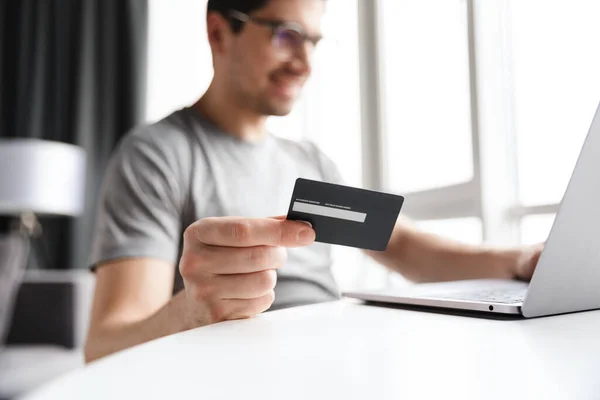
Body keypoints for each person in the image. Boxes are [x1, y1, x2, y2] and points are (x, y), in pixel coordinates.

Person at [84, 0, 543, 363]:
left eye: (314, 42)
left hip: (339, 351)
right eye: (286, 35)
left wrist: (521, 260)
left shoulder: (310, 160)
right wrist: (192, 310)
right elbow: (103, 348)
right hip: (241, 369)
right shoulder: (156, 156)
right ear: (219, 32)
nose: (304, 63)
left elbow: (403, 247)